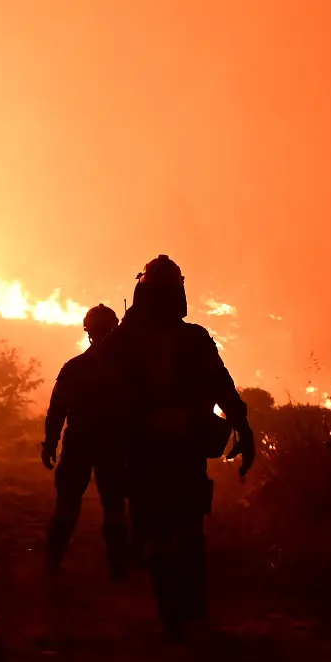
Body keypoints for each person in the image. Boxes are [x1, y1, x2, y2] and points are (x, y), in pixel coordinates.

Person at [100, 255, 255, 642]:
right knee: (186, 528)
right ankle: (190, 609)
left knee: (159, 531)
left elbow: (106, 397)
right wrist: (244, 429)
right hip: (182, 450)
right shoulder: (194, 338)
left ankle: (173, 613)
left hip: (147, 451)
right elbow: (224, 389)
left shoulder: (124, 341)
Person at [42, 303, 133, 578]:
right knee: (114, 506)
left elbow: (57, 410)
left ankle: (53, 561)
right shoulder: (130, 371)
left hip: (80, 443)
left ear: (88, 332)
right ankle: (118, 568)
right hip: (114, 446)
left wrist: (50, 443)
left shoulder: (75, 367)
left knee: (68, 504)